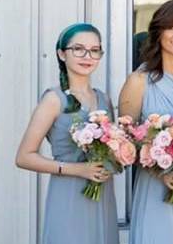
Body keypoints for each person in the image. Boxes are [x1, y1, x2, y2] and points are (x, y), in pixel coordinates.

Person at [15, 23, 118, 244]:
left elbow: (113, 147)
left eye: (94, 50)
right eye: (78, 49)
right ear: (62, 54)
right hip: (69, 193)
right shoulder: (54, 99)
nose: (87, 56)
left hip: (102, 195)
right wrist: (78, 169)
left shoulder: (104, 99)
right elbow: (24, 157)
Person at [119, 0, 173, 244]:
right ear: (159, 31)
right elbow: (123, 142)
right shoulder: (138, 81)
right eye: (172, 27)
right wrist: (160, 171)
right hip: (155, 186)